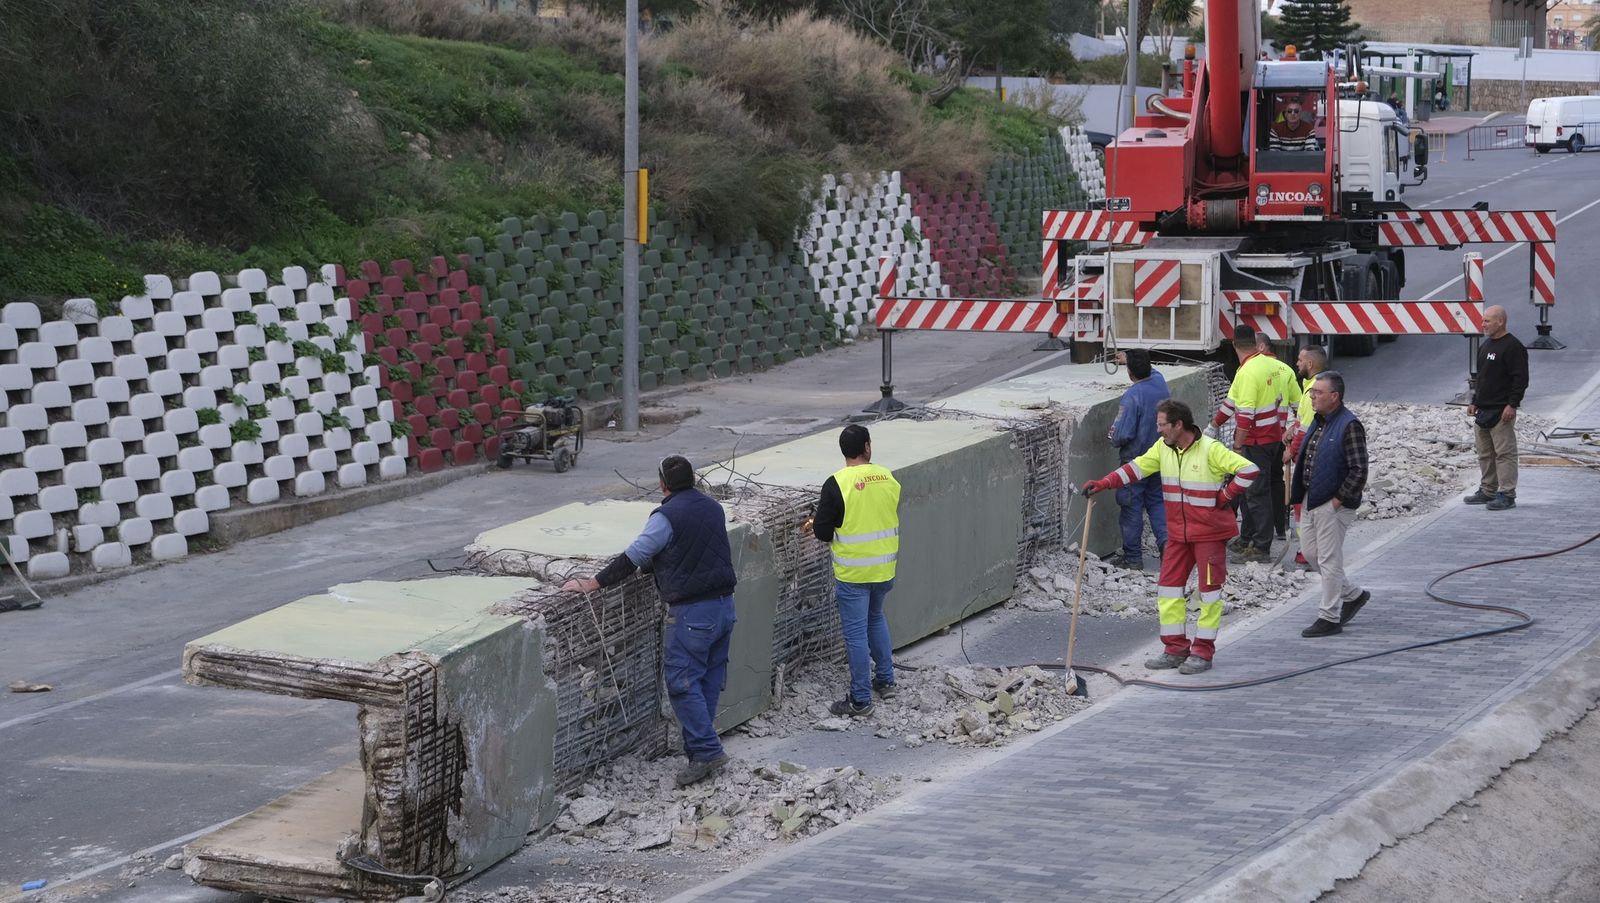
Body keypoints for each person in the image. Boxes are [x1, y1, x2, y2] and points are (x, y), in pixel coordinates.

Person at [561, 455, 737, 787]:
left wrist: (593, 583)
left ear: (662, 484)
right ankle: (703, 747)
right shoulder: (713, 508)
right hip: (725, 606)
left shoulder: (666, 517)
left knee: (682, 683)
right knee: (708, 679)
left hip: (693, 614)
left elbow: (635, 556)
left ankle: (706, 751)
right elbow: (693, 549)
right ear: (694, 480)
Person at [1082, 400, 1260, 674]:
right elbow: (1136, 468)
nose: (1158, 430)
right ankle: (1175, 648)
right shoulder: (1163, 449)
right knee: (1168, 589)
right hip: (1179, 534)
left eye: (1162, 425)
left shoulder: (1211, 450)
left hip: (1209, 535)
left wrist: (1225, 495)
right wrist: (1104, 483)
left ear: (1179, 425)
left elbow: (1249, 470)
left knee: (1209, 594)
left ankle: (1202, 651)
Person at [810, 424, 901, 716]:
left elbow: (823, 532)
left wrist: (818, 521)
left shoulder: (837, 483)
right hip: (884, 567)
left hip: (853, 573)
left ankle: (860, 700)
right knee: (876, 619)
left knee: (856, 634)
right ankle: (886, 681)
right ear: (867, 447)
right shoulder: (887, 476)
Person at [1289, 371, 1372, 637]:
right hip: (1312, 498)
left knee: (1328, 558)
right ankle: (1353, 595)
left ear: (1334, 396)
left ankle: (1329, 616)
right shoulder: (1319, 420)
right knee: (1311, 554)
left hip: (1332, 504)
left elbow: (1359, 469)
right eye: (1312, 392)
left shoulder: (1349, 425)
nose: (1312, 397)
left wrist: (1338, 501)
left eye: (1318, 393)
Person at [1210, 325, 1296, 560]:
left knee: (1256, 494)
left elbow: (1245, 416)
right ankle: (1247, 538)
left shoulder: (1247, 372)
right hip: (1273, 438)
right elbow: (1231, 403)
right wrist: (1213, 426)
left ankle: (1260, 546)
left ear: (1234, 344)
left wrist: (1237, 446)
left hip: (1256, 441)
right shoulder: (1273, 365)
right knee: (1252, 491)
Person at [1106, 349, 1170, 569]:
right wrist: (1132, 359)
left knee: (1131, 506)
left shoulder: (1132, 396)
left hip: (1135, 461)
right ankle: (1167, 548)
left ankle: (1133, 558)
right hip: (1159, 456)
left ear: (1130, 373)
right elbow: (1153, 371)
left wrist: (1111, 436)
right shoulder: (1160, 383)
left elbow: (1121, 434)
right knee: (1157, 501)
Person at [1464, 305, 1529, 511]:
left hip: (1502, 412)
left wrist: (1512, 404)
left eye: (1487, 321)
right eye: (1483, 321)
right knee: (1485, 454)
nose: (1483, 325)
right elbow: (1481, 378)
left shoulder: (1513, 347)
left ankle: (1507, 494)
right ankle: (1487, 490)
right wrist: (1474, 400)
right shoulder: (1485, 346)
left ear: (1500, 321)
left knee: (1504, 454)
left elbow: (1520, 379)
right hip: (1483, 410)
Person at [1283, 344, 1328, 567]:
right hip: (1310, 454)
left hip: (1308, 456)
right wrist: (1292, 428)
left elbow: (1307, 429)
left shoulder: (1314, 390)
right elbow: (1303, 421)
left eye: (1300, 360)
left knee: (1303, 505)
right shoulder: (1312, 386)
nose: (1297, 363)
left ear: (1310, 363)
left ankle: (1308, 551)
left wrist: (1291, 452)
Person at [1255, 332, 1301, 542]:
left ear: (1262, 347)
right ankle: (1281, 527)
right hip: (1281, 434)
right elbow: (1297, 405)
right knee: (1277, 479)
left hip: (1259, 436)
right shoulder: (1287, 370)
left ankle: (1260, 532)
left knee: (1259, 483)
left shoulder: (1251, 369)